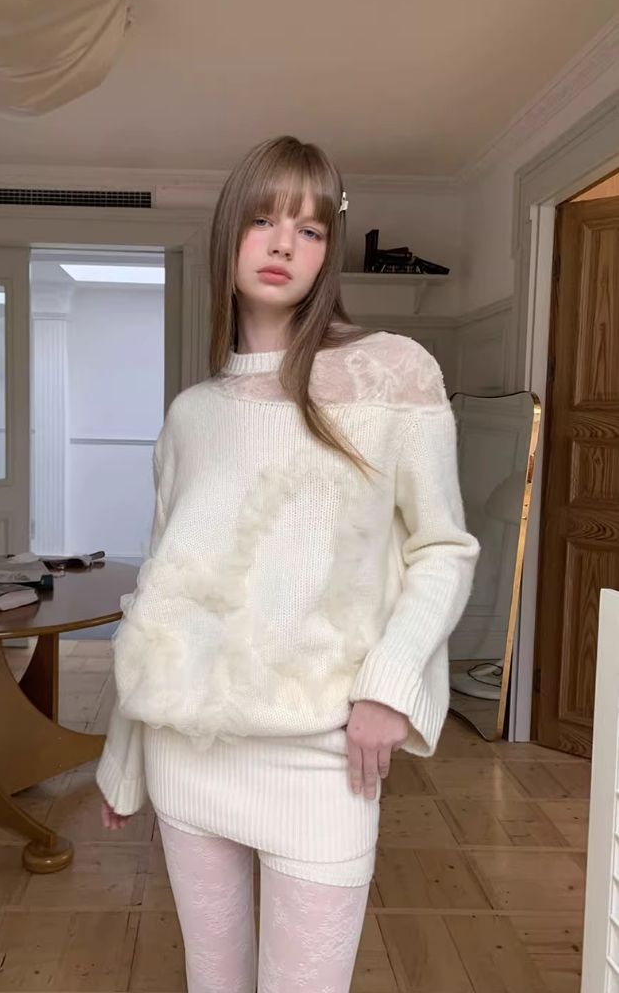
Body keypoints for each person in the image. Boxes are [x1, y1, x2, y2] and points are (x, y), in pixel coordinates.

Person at [96, 135, 479, 992]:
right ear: (228, 233)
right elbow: (160, 592)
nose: (282, 244)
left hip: (321, 755)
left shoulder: (391, 375)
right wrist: (124, 758)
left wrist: (389, 686)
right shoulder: (193, 414)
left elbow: (443, 547)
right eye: (263, 220)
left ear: (327, 250)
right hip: (186, 749)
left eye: (309, 230)